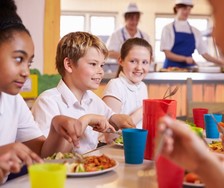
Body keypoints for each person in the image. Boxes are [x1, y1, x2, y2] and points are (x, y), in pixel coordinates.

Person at [0, 0, 110, 183]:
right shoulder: (46, 99)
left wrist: (55, 129)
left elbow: (45, 154)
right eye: (18, 59)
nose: (26, 72)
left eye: (29, 62)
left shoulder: (14, 101)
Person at [31, 31, 135, 154]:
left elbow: (109, 117)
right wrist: (87, 119)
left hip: (90, 166)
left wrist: (117, 118)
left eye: (101, 65)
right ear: (69, 65)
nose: (101, 71)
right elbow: (48, 157)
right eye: (93, 64)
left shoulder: (92, 98)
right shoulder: (47, 102)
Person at [102, 38, 152, 142]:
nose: (139, 67)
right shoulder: (115, 86)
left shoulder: (142, 86)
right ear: (121, 61)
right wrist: (143, 110)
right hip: (114, 150)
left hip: (136, 145)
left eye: (145, 62)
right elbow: (110, 137)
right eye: (133, 61)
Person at [160, 0, 224, 69]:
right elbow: (167, 54)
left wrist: (221, 62)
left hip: (189, 69)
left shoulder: (195, 31)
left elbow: (205, 54)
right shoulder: (168, 29)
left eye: (189, 9)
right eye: (184, 9)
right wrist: (185, 59)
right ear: (177, 8)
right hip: (170, 69)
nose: (187, 12)